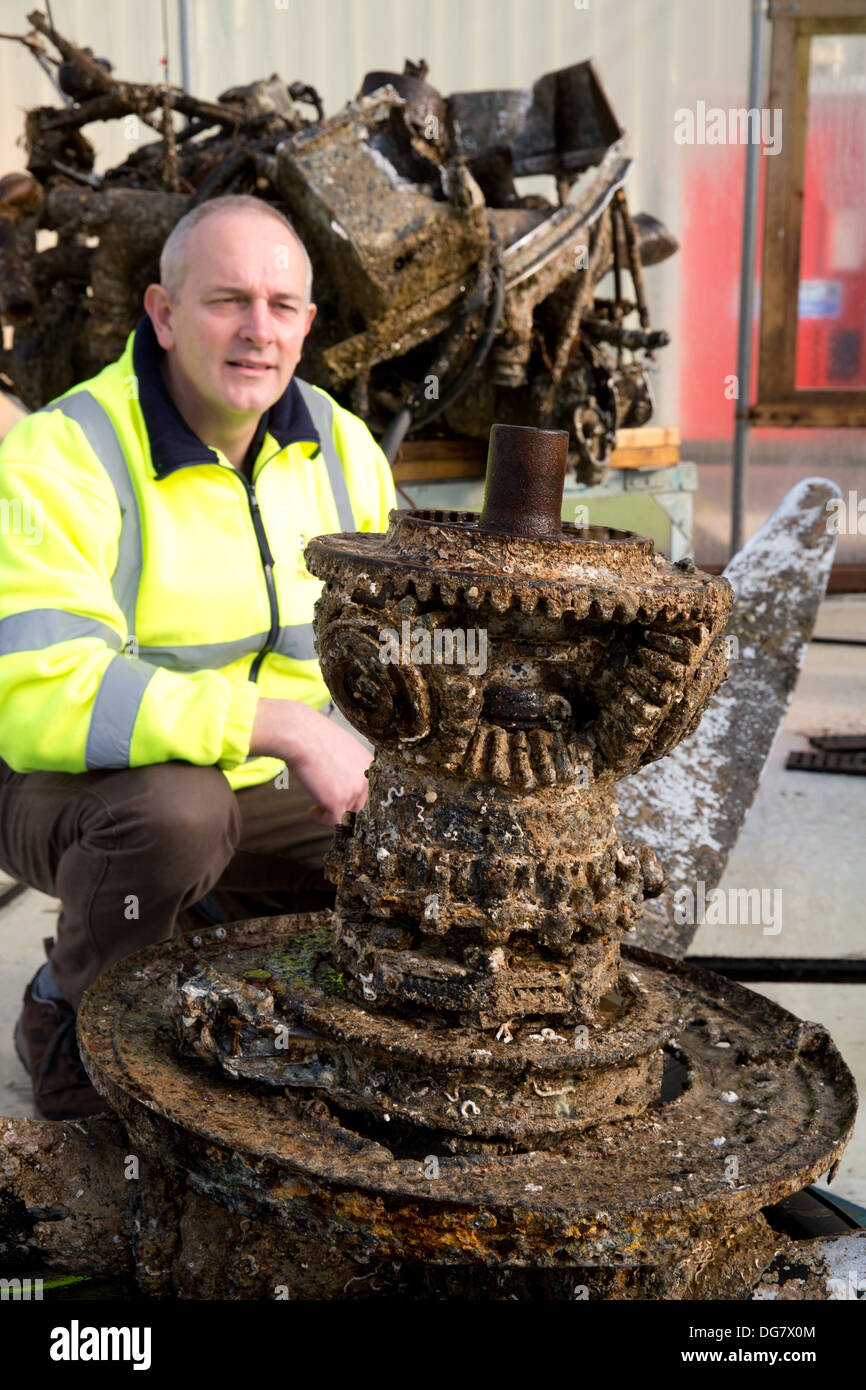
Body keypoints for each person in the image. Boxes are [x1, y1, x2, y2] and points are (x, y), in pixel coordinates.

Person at [0, 194, 396, 1120]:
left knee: (433, 829)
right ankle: (79, 1022)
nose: (259, 330)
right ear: (165, 314)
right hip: (58, 780)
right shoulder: (65, 454)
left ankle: (216, 924)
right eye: (227, 301)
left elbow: (398, 642)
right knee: (176, 811)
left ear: (306, 323)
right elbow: (42, 694)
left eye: (282, 305)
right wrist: (287, 727)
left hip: (259, 786)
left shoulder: (339, 446)